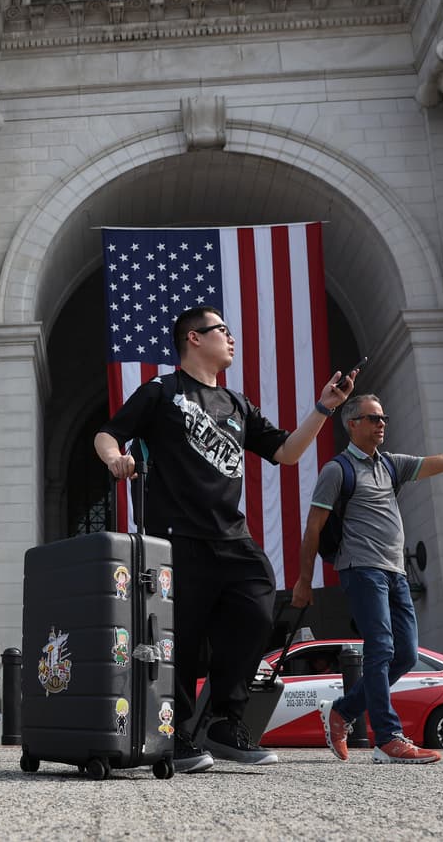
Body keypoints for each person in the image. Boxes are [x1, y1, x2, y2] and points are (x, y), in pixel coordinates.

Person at [94, 305, 357, 774]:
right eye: (222, 331)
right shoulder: (162, 391)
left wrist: (325, 408)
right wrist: (116, 458)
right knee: (183, 639)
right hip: (176, 537)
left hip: (231, 536)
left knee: (257, 604)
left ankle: (225, 722)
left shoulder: (237, 404)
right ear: (193, 339)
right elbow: (108, 433)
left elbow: (286, 452)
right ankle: (171, 736)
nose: (231, 339)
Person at [291, 393, 443, 764]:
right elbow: (314, 527)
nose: (382, 424)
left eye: (384, 418)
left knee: (405, 655)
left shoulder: (392, 465)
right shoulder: (337, 470)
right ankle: (388, 739)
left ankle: (343, 710)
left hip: (396, 571)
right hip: (361, 569)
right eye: (373, 418)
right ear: (352, 424)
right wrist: (304, 581)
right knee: (381, 648)